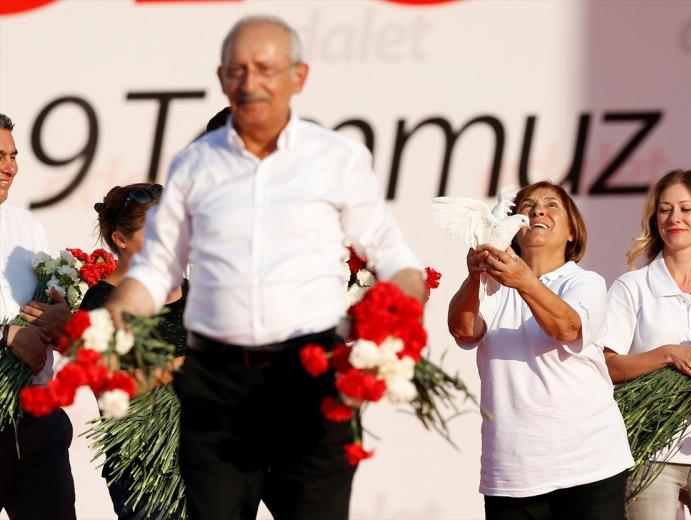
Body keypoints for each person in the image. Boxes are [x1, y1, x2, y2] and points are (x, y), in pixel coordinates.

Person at [104, 15, 425, 520]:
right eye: (237, 70)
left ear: (298, 76)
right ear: (222, 78)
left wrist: (397, 317)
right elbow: (154, 271)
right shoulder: (193, 166)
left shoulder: (335, 159)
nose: (250, 82)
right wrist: (113, 316)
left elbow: (397, 261)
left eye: (266, 68)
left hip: (308, 388)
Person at [447, 181, 633, 520]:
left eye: (551, 205)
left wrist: (524, 281)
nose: (537, 211)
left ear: (572, 232)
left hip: (590, 465)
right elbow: (462, 329)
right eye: (528, 205)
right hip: (512, 472)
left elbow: (567, 328)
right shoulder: (491, 289)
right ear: (515, 231)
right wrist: (475, 276)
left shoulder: (584, 282)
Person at [602, 169, 691, 519]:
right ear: (655, 220)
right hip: (648, 452)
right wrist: (668, 354)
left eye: (686, 209)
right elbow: (605, 366)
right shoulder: (631, 287)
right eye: (665, 209)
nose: (675, 218)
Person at [80, 182, 187, 520]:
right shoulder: (100, 303)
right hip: (145, 472)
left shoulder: (196, 291)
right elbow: (111, 390)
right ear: (121, 240)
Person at [0, 113, 76, 519]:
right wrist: (7, 337)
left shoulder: (27, 225)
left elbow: (52, 301)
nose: (8, 167)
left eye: (13, 155)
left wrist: (59, 318)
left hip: (36, 419)